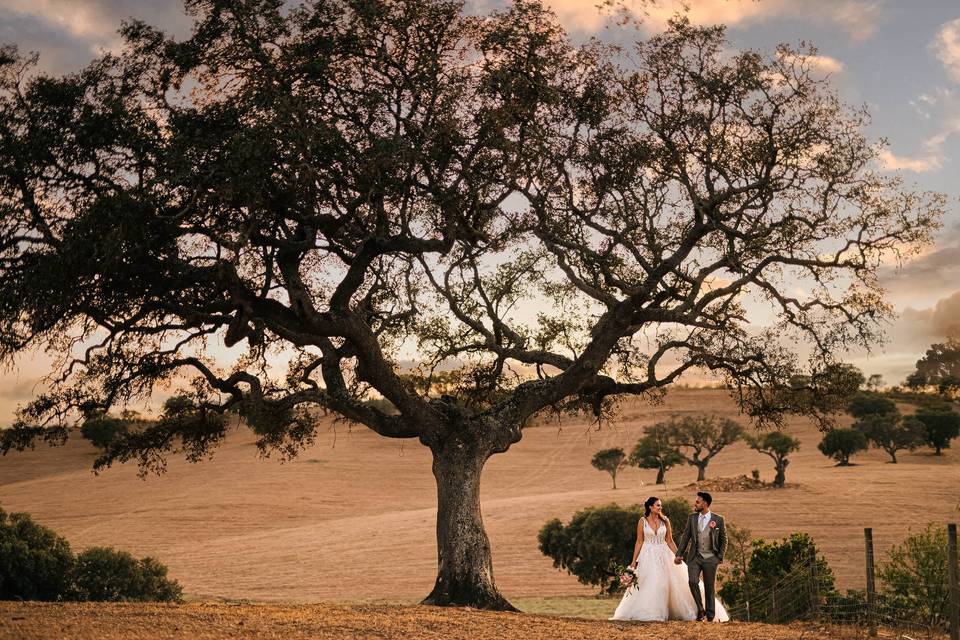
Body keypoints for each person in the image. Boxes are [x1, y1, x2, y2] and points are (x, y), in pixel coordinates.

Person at [611, 495, 729, 622]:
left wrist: (678, 555)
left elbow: (669, 540)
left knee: (666, 583)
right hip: (647, 556)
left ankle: (705, 612)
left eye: (661, 505)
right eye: (657, 505)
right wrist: (634, 561)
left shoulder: (665, 520)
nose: (660, 507)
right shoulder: (642, 521)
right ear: (650, 507)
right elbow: (639, 541)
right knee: (651, 582)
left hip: (664, 554)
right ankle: (650, 611)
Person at [674, 491, 727, 622]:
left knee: (709, 587)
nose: (695, 503)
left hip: (711, 558)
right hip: (695, 557)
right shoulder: (692, 518)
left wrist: (719, 557)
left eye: (698, 501)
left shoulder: (718, 519)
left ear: (705, 504)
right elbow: (686, 536)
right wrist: (679, 554)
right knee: (692, 581)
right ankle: (700, 609)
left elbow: (724, 539)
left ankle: (710, 616)